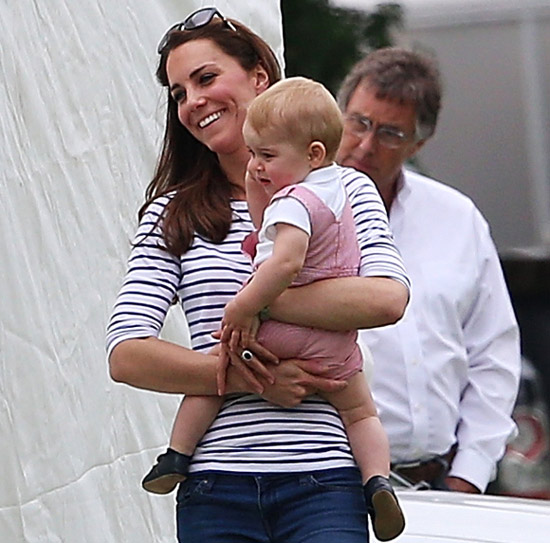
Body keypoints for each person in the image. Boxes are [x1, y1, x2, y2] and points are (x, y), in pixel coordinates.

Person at [106, 7, 409, 543]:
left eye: (205, 78)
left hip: (326, 480)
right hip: (215, 485)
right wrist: (253, 379)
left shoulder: (343, 189)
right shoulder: (172, 213)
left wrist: (259, 301)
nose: (192, 101)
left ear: (259, 78)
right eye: (178, 93)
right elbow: (126, 353)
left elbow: (386, 300)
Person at [336, 46, 521, 494]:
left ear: (419, 143)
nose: (365, 144)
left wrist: (469, 475)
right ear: (338, 113)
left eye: (390, 133)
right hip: (332, 487)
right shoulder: (295, 215)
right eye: (359, 122)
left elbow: (493, 355)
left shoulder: (458, 218)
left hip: (442, 485)